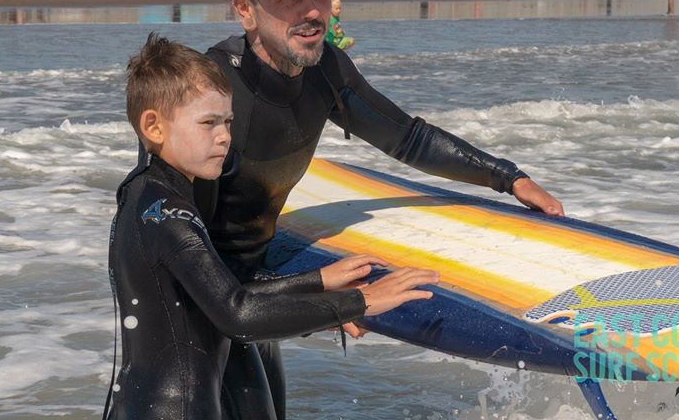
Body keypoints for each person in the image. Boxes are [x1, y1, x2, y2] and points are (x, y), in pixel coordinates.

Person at [201, 0, 563, 420]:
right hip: (200, 306)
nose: (312, 12)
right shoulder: (208, 90)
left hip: (255, 289)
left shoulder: (324, 68)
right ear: (245, 9)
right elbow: (179, 243)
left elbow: (406, 137)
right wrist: (319, 301)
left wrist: (508, 177)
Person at [105, 33, 438, 420]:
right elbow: (238, 314)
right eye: (209, 123)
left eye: (228, 121)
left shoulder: (151, 197)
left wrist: (318, 282)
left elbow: (224, 295)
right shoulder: (168, 215)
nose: (225, 136)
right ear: (154, 127)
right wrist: (363, 301)